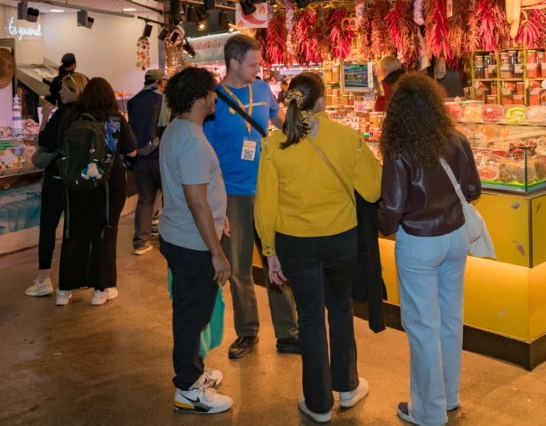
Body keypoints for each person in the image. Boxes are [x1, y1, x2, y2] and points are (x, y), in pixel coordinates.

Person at [255, 72, 381, 422]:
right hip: (341, 237)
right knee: (340, 308)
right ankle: (348, 386)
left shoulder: (272, 145)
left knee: (309, 317)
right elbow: (373, 189)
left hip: (294, 242)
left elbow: (265, 205)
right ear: (323, 101)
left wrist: (269, 251)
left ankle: (318, 402)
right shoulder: (347, 137)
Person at [378, 73, 481, 426]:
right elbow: (472, 189)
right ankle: (449, 397)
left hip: (419, 244)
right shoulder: (456, 139)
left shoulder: (399, 149)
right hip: (455, 239)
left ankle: (428, 412)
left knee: (423, 327)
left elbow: (392, 208)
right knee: (451, 320)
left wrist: (382, 227)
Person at [203, 34, 298, 360]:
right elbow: (208, 157)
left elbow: (277, 121)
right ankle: (247, 332)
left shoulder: (261, 89)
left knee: (278, 260)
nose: (259, 68)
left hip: (267, 189)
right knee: (239, 268)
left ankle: (289, 332)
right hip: (232, 195)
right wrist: (218, 206)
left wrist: (299, 140)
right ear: (233, 63)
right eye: (253, 63)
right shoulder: (213, 99)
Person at [159, 67, 233, 415]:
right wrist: (217, 252)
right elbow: (196, 201)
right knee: (192, 314)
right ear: (200, 96)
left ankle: (194, 372)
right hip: (193, 244)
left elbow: (200, 194)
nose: (216, 97)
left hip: (183, 236)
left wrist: (220, 217)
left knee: (191, 310)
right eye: (213, 92)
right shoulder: (191, 140)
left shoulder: (179, 130)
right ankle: (188, 387)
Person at [54, 78, 137, 307]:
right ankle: (101, 289)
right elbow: (131, 151)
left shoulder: (71, 116)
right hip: (108, 186)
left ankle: (64, 290)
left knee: (74, 233)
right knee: (104, 234)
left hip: (75, 184)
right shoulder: (113, 119)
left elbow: (58, 147)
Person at [26, 72, 89, 297]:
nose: (59, 92)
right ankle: (77, 277)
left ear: (74, 91)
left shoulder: (60, 114)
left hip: (55, 178)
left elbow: (45, 141)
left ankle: (44, 278)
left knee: (48, 228)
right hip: (78, 180)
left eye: (63, 88)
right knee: (75, 229)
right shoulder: (87, 115)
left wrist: (44, 117)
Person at [128, 69, 167, 256]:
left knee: (145, 200)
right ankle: (167, 238)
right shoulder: (163, 101)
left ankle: (140, 243)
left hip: (140, 158)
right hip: (161, 158)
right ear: (160, 82)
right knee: (169, 198)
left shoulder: (132, 102)